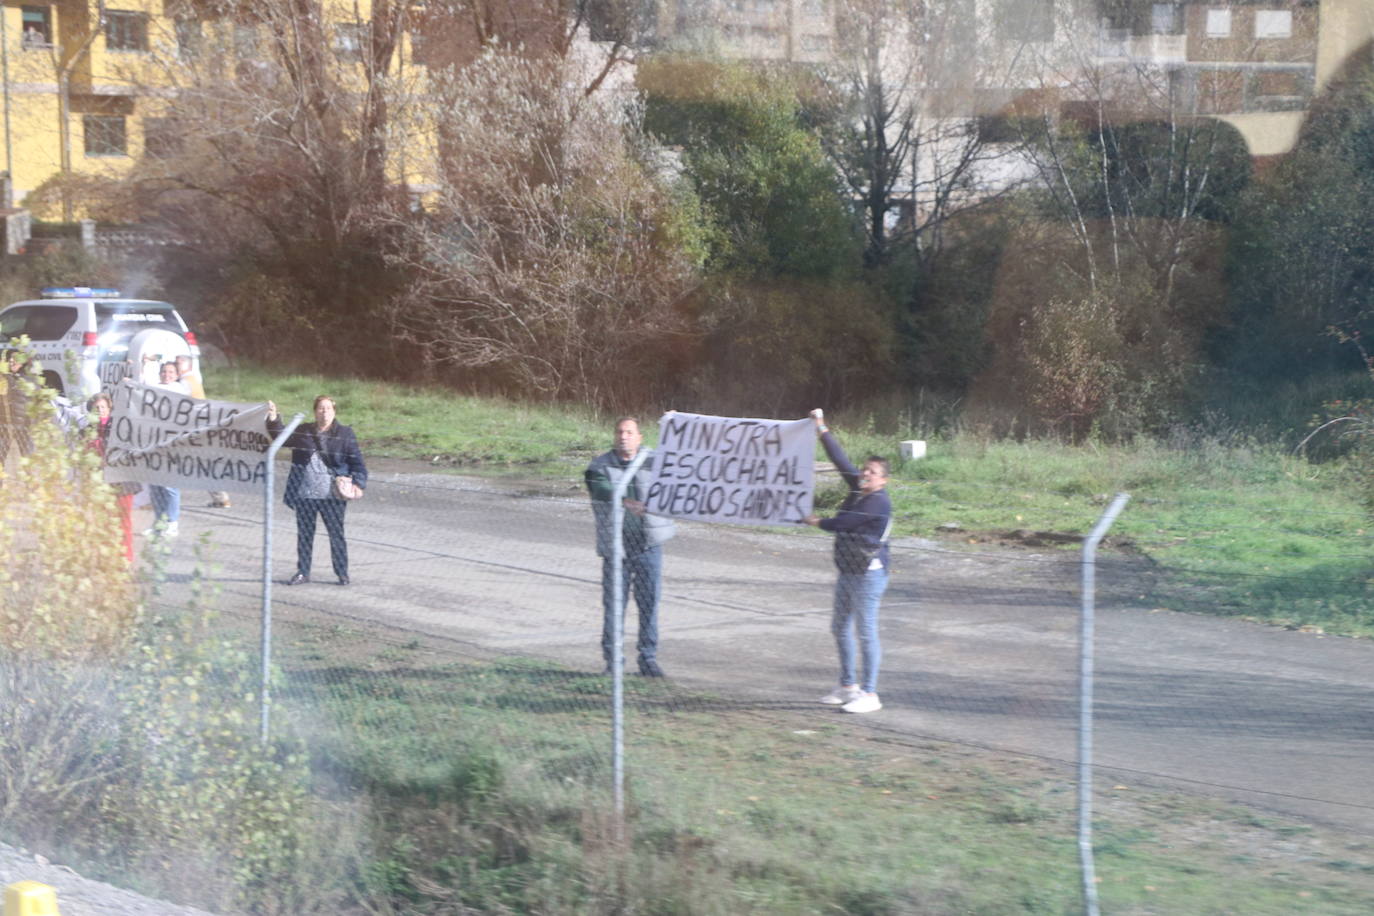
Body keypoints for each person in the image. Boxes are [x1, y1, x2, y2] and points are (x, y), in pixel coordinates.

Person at [803, 408, 893, 714]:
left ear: (884, 480)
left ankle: (870, 693)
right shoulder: (858, 488)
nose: (865, 474)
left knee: (865, 631)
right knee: (840, 627)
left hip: (869, 575)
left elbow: (844, 522)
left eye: (873, 472)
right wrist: (821, 429)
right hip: (847, 571)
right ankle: (847, 686)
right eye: (865, 470)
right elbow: (840, 459)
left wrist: (816, 522)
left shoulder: (878, 501)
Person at [585, 416, 675, 677]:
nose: (623, 436)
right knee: (614, 606)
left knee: (649, 605)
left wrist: (673, 427)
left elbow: (683, 466)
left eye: (629, 432)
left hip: (649, 547)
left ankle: (648, 660)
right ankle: (614, 664)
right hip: (617, 550)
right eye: (620, 431)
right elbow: (599, 488)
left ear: (639, 437)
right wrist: (624, 500)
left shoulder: (654, 461)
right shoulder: (600, 465)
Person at [266, 395, 367, 586]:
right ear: (315, 411)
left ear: (334, 411)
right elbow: (280, 437)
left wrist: (358, 483)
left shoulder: (345, 433)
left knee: (336, 534)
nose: (325, 412)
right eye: (321, 408)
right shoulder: (303, 431)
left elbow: (357, 462)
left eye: (328, 408)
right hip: (305, 494)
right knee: (305, 534)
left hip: (332, 495)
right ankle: (303, 572)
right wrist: (273, 418)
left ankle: (342, 573)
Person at [176, 354, 231, 509]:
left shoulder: (186, 382)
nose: (176, 365)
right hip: (196, 427)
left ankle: (220, 496)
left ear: (187, 365)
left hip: (193, 429)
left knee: (199, 463)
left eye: (179, 363)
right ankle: (220, 497)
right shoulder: (192, 379)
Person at [89, 393, 136, 562]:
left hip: (122, 481)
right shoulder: (88, 428)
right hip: (102, 481)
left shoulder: (117, 426)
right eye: (96, 408)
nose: (100, 410)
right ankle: (107, 556)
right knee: (104, 520)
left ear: (110, 409)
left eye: (103, 407)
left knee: (123, 521)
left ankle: (126, 557)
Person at [145, 361, 188, 539]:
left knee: (170, 485)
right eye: (164, 371)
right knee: (155, 486)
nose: (167, 374)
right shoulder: (152, 387)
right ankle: (159, 522)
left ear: (176, 375)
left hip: (172, 445)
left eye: (171, 372)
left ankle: (172, 523)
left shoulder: (180, 390)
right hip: (153, 442)